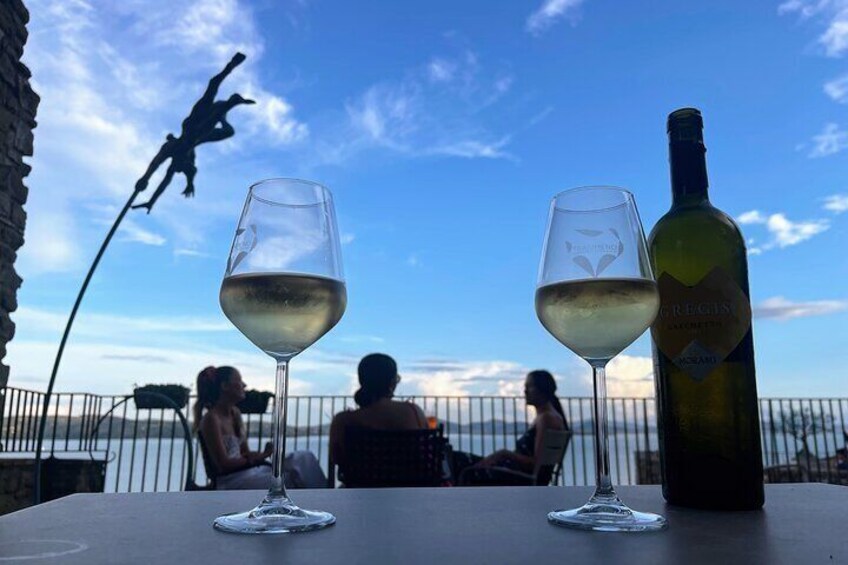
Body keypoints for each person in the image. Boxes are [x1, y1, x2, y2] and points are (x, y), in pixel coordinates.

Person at [193, 365, 326, 489]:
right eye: (239, 381)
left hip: (248, 472)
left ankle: (324, 494)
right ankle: (322, 498)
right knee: (290, 479)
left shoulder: (235, 414)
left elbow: (244, 454)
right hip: (232, 481)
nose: (244, 385)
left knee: (304, 458)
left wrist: (265, 453)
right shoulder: (211, 419)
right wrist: (262, 456)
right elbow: (223, 465)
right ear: (225, 386)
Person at [453, 370, 568, 484]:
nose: (525, 391)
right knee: (456, 458)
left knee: (457, 462)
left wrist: (504, 453)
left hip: (517, 477)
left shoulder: (547, 418)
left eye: (529, 387)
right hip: (513, 471)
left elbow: (535, 464)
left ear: (543, 390)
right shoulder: (548, 417)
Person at [328, 354, 427, 471]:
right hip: (409, 481)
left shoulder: (343, 420)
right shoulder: (413, 412)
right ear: (392, 382)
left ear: (361, 380)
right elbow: (425, 451)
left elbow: (336, 458)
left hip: (361, 481)